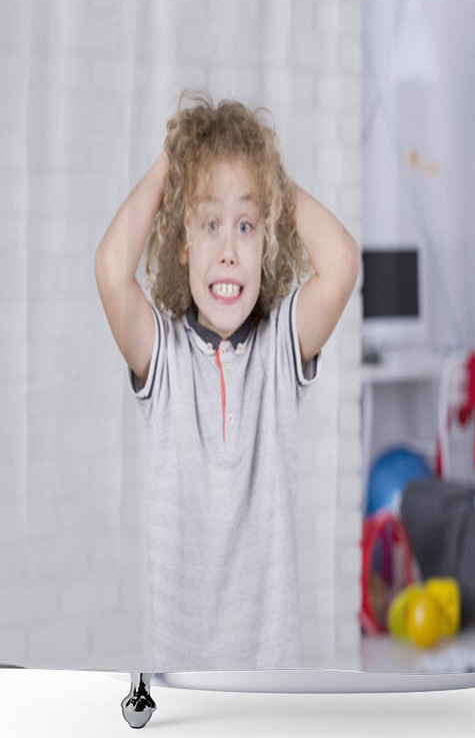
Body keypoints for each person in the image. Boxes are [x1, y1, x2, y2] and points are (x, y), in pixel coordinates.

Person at [94, 92, 360, 670]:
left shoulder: (278, 350)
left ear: (267, 241)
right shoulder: (165, 360)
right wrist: (173, 161)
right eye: (209, 224)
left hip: (272, 674)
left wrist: (272, 185)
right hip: (184, 678)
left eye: (246, 225)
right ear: (182, 244)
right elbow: (113, 270)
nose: (229, 251)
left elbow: (340, 261)